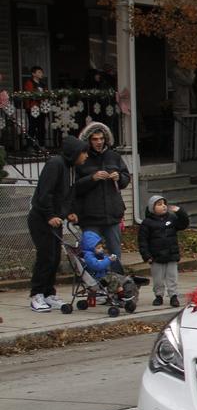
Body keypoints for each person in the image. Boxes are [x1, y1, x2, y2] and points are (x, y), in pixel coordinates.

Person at [27, 136, 88, 311]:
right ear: (75, 153)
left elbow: (67, 195)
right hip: (41, 219)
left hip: (56, 220)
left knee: (55, 257)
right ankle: (36, 294)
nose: (86, 156)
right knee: (45, 256)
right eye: (83, 152)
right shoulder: (55, 165)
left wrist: (68, 212)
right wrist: (49, 215)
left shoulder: (71, 169)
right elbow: (45, 193)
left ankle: (48, 292)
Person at [74, 121, 131, 273]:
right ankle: (96, 286)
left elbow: (126, 178)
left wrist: (119, 177)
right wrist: (92, 178)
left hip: (112, 214)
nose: (99, 142)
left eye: (101, 139)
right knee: (92, 254)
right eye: (95, 139)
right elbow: (75, 187)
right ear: (88, 141)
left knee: (115, 254)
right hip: (90, 216)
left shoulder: (114, 156)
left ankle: (118, 286)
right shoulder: (82, 159)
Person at [138, 195, 190, 307]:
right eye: (159, 204)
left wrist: (180, 212)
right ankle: (158, 296)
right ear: (152, 208)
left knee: (172, 277)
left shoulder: (172, 219)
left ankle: (173, 296)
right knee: (158, 279)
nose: (163, 206)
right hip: (156, 257)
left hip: (171, 255)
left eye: (164, 203)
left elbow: (184, 224)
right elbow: (142, 241)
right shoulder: (147, 223)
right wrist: (146, 255)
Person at [80, 230, 126, 299]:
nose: (101, 249)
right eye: (98, 248)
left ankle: (121, 293)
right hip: (96, 278)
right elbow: (97, 265)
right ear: (91, 247)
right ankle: (112, 294)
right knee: (113, 278)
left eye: (101, 247)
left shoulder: (96, 254)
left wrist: (109, 258)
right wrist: (108, 260)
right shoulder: (88, 256)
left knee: (116, 277)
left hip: (101, 276)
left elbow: (102, 260)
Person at [23, 65, 46, 148]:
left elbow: (46, 94)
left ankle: (41, 145)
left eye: (42, 72)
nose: (41, 74)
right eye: (39, 72)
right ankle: (30, 146)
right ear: (33, 74)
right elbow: (30, 94)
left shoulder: (43, 84)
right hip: (32, 108)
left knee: (41, 127)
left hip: (42, 108)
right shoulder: (29, 83)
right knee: (32, 127)